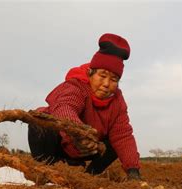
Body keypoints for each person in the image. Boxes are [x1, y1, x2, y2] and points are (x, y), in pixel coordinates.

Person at [28, 33, 141, 180]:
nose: (106, 84)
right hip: (61, 144)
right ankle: (45, 170)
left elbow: (123, 135)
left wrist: (133, 171)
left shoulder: (117, 101)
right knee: (38, 122)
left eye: (114, 79)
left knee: (115, 142)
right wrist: (80, 134)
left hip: (86, 149)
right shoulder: (77, 86)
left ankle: (88, 177)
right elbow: (65, 107)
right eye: (102, 75)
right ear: (90, 73)